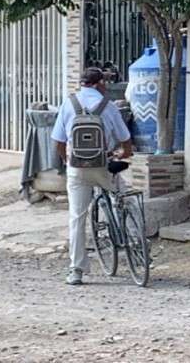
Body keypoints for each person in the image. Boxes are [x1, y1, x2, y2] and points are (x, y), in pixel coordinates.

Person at [52, 67, 133, 285]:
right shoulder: (109, 105)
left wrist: (67, 160)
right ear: (99, 84)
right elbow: (125, 139)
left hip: (77, 170)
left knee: (77, 217)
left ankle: (76, 269)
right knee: (124, 195)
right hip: (102, 167)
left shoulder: (69, 104)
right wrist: (124, 152)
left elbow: (58, 142)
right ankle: (134, 242)